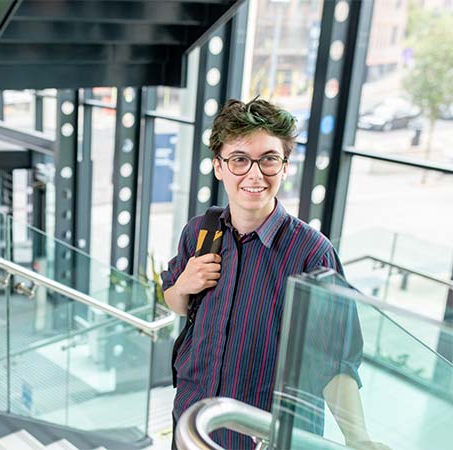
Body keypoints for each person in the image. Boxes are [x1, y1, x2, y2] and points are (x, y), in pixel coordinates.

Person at [162, 98, 388, 449]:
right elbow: (176, 303)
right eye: (239, 160)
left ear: (284, 167)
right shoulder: (200, 231)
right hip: (193, 421)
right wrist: (183, 285)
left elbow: (336, 360)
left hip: (265, 436)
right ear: (219, 167)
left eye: (268, 159)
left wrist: (357, 437)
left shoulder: (312, 254)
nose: (255, 174)